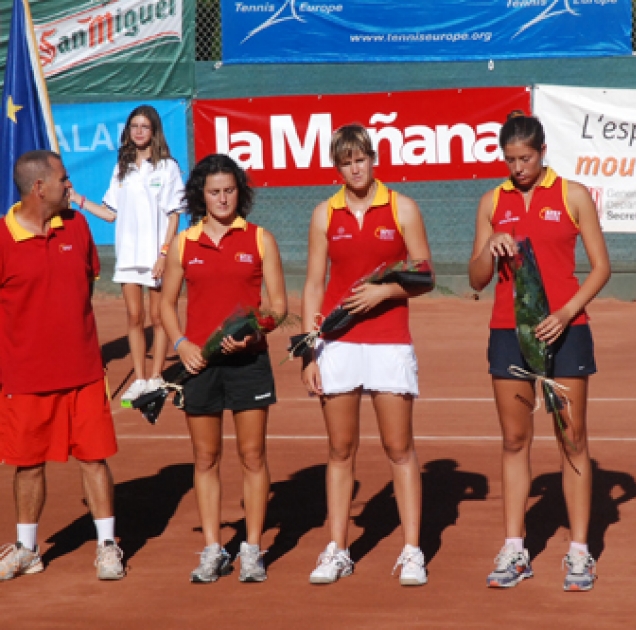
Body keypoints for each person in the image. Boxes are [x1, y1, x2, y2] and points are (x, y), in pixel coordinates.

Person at [468, 111, 611, 591]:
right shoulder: (492, 201)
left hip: (565, 332)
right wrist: (491, 244)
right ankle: (515, 548)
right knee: (513, 441)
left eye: (525, 158)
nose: (517, 168)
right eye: (509, 159)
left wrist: (566, 313)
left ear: (542, 151)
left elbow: (601, 268)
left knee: (572, 439)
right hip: (509, 333)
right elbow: (476, 278)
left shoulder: (572, 195)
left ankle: (578, 552)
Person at [301, 124, 433, 587]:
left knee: (399, 449)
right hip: (337, 344)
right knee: (340, 450)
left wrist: (383, 294)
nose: (355, 168)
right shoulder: (324, 214)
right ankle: (338, 548)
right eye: (345, 161)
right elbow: (315, 284)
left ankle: (413, 551)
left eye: (361, 159)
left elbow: (425, 275)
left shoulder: (403, 208)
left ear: (373, 159)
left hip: (390, 340)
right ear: (336, 166)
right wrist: (308, 352)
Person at [160, 154, 287, 584]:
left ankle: (251, 549)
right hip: (200, 365)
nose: (222, 198)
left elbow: (278, 307)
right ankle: (213, 549)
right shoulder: (184, 243)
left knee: (252, 456)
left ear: (240, 191)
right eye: (213, 191)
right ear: (201, 194)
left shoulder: (260, 238)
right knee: (205, 457)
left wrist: (254, 333)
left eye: (229, 190)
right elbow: (165, 305)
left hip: (249, 362)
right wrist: (182, 344)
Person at [0, 150, 124, 581]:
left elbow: (84, 286)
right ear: (39, 188)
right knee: (28, 464)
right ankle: (27, 549)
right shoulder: (1, 238)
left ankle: (108, 545)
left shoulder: (78, 224)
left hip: (84, 372)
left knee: (95, 459)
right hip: (25, 378)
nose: (69, 186)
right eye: (63, 179)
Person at [72, 105, 185, 407]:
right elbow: (110, 214)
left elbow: (174, 216)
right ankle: (139, 378)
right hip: (128, 257)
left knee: (159, 317)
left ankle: (156, 377)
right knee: (135, 317)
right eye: (134, 126)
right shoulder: (121, 167)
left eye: (144, 127)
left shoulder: (168, 168)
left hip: (157, 256)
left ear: (154, 131)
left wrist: (164, 254)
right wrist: (77, 199)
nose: (138, 131)